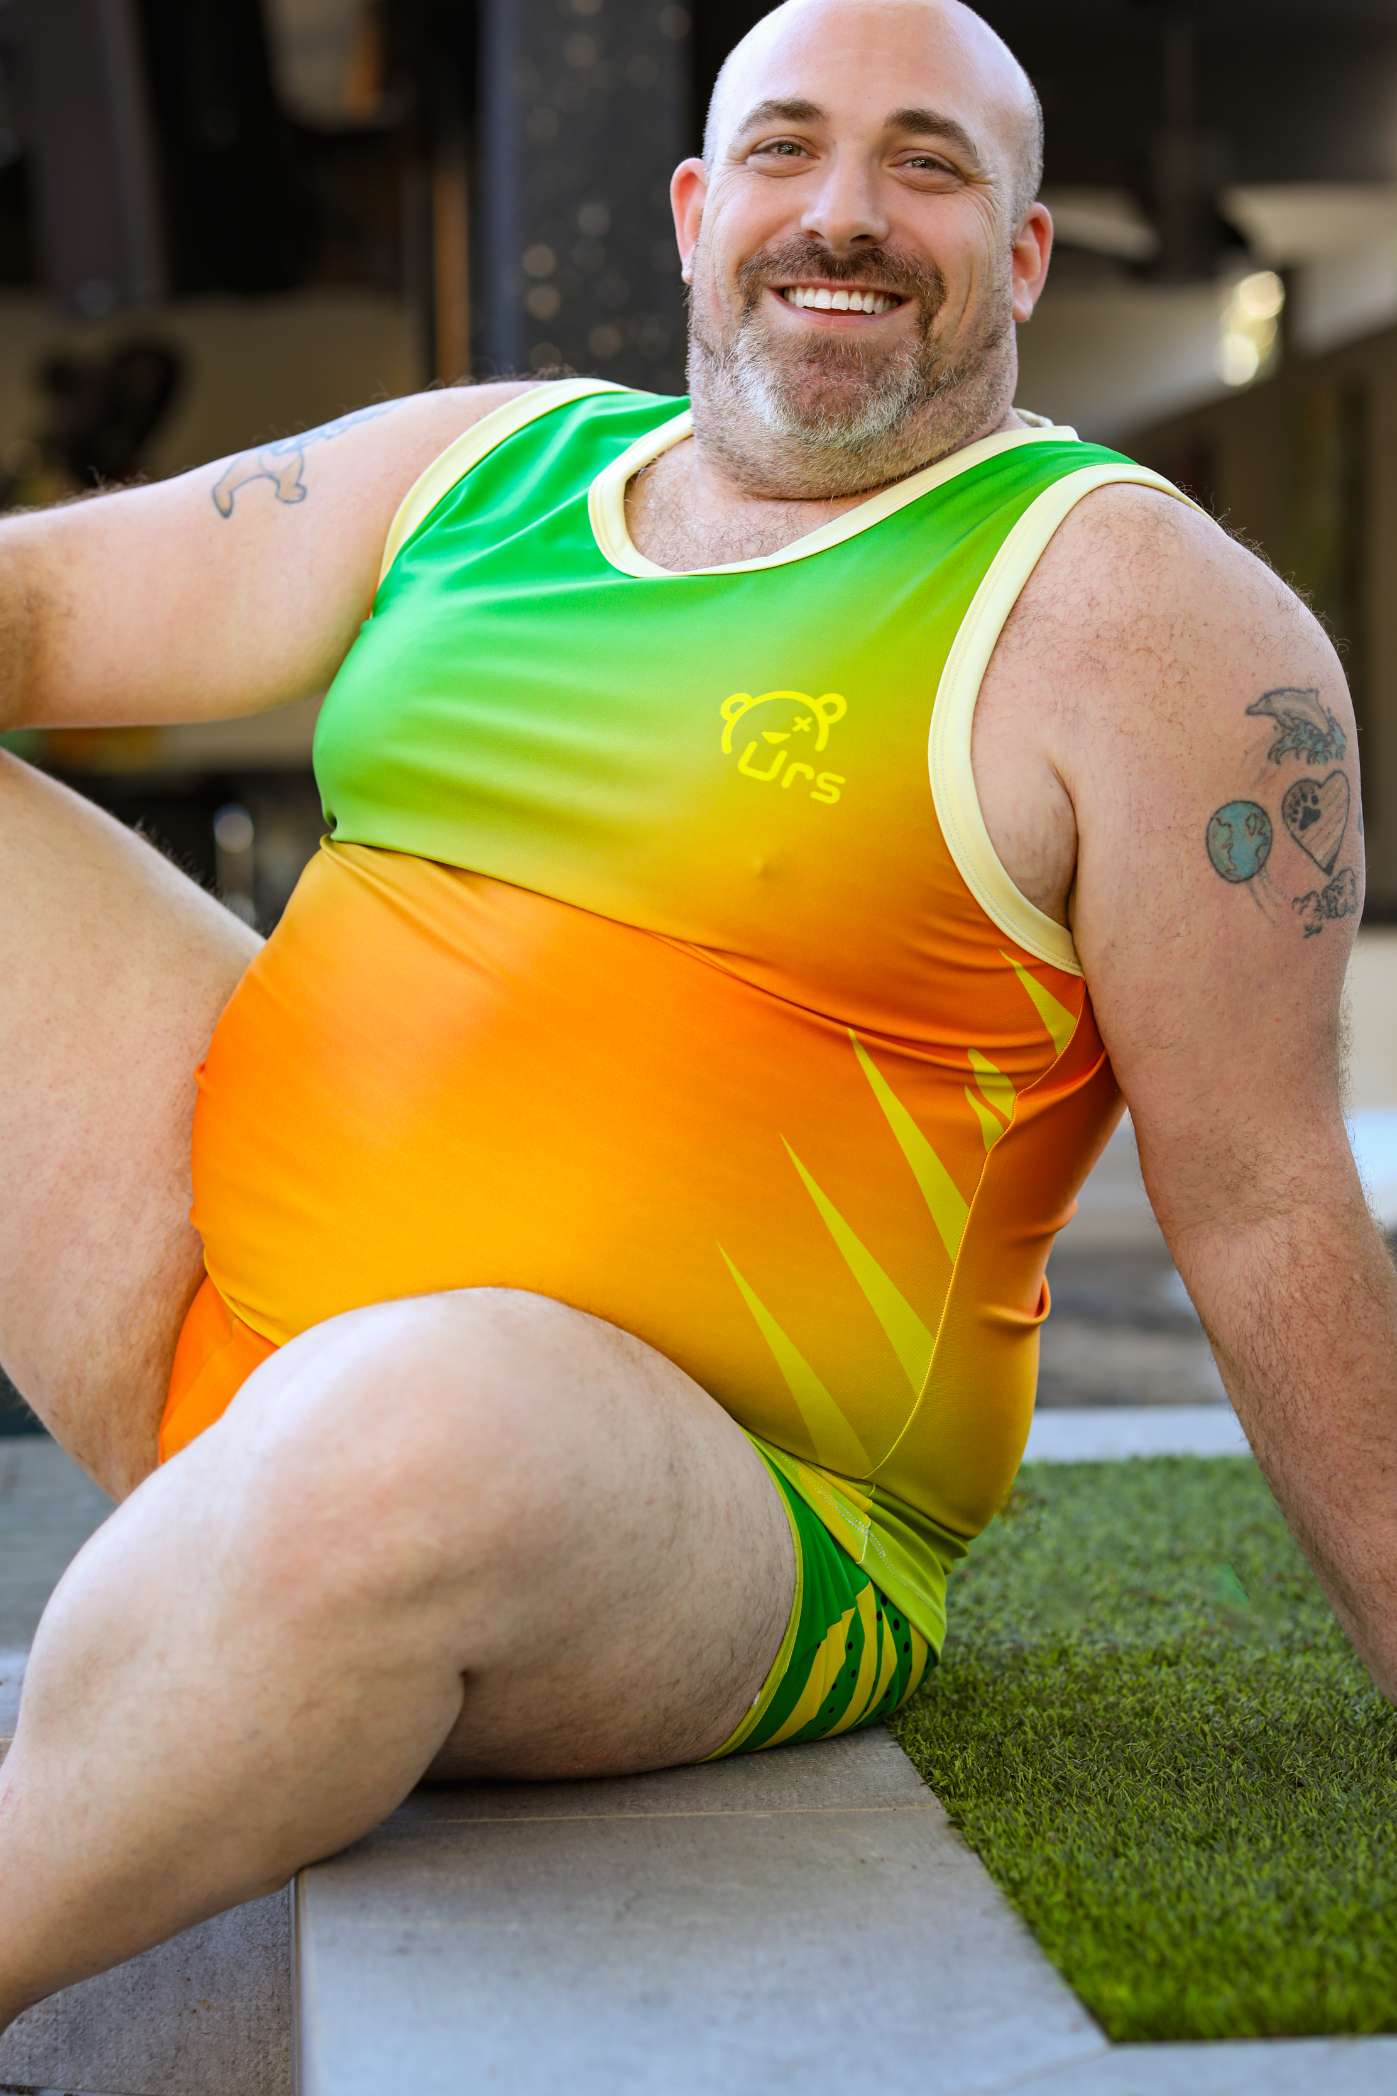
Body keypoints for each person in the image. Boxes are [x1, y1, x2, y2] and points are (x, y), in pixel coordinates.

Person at [0, 0, 1387, 2031]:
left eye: (926, 163)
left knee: (409, 1431)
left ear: (1021, 253)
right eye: (786, 148)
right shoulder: (489, 465)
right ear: (691, 208)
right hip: (202, 1317)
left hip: (707, 1513)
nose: (844, 212)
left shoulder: (1141, 620)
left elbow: (1266, 1202)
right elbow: (40, 606)